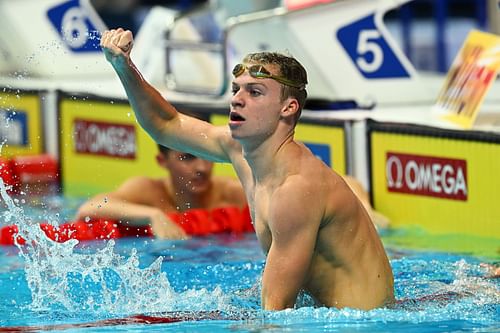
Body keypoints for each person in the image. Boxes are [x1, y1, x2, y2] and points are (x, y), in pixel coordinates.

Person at [100, 28, 394, 310]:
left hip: (360, 323)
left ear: (288, 108)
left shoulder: (295, 189)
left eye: (255, 92)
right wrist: (123, 66)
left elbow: (274, 316)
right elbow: (166, 125)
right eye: (236, 90)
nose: (237, 99)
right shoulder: (239, 150)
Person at [76, 144, 247, 239]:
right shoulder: (147, 191)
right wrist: (153, 215)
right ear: (162, 161)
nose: (202, 167)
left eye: (207, 155)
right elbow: (89, 207)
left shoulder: (232, 193)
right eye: (187, 157)